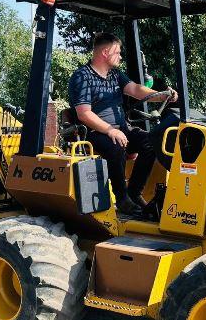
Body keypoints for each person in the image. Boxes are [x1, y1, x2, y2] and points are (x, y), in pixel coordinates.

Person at [68, 33, 178, 215]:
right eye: (117, 52)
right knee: (116, 146)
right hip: (95, 132)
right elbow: (84, 114)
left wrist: (161, 95)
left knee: (150, 142)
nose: (120, 56)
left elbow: (135, 89)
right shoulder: (82, 77)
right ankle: (122, 198)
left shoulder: (115, 75)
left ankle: (134, 193)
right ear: (105, 52)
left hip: (121, 129)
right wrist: (111, 130)